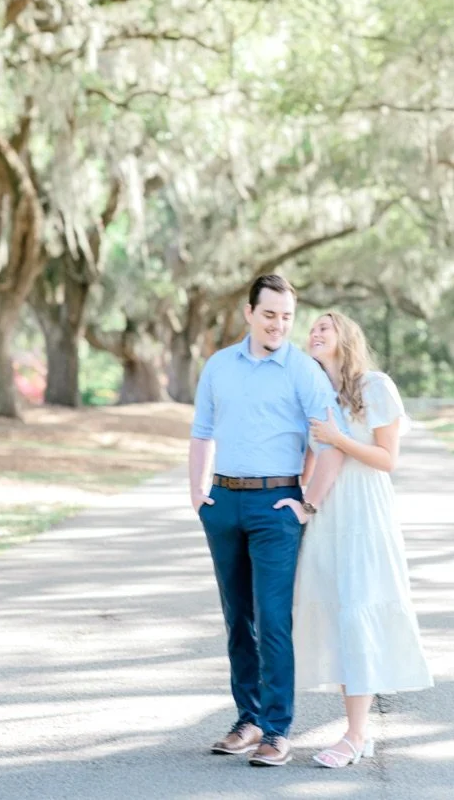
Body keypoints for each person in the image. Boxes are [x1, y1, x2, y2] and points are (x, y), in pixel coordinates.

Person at [189, 274, 347, 767]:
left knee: (274, 620)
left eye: (287, 317)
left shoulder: (303, 370)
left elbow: (331, 447)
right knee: (239, 619)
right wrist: (199, 495)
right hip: (224, 502)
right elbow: (201, 432)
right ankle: (247, 718)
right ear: (249, 313)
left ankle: (276, 730)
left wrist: (307, 504)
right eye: (270, 314)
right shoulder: (219, 366)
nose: (278, 324)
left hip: (277, 504)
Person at [293, 311, 433, 768]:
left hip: (365, 511)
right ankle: (356, 731)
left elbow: (387, 458)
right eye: (311, 328)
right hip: (328, 513)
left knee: (358, 610)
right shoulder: (314, 391)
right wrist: (299, 501)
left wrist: (338, 438)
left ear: (346, 337)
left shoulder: (375, 386)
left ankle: (355, 735)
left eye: (324, 327)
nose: (314, 333)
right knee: (337, 613)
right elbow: (311, 456)